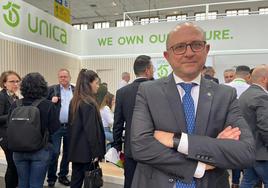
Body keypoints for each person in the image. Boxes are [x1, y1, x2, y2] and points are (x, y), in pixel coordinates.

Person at [130, 22, 255, 188]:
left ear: (206, 49)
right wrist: (200, 165)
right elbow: (141, 146)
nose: (188, 53)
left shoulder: (225, 95)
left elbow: (245, 152)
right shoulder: (148, 91)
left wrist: (177, 141)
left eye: (196, 45)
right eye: (180, 47)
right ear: (167, 56)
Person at [10, 72, 59, 188]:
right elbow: (55, 128)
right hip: (40, 150)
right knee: (36, 184)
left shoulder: (15, 105)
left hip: (18, 151)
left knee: (22, 183)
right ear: (43, 87)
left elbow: (9, 125)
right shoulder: (48, 105)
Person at [113, 55, 154, 188]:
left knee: (130, 182)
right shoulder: (157, 90)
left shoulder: (122, 92)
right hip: (153, 147)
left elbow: (117, 124)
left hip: (131, 148)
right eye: (152, 68)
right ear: (147, 70)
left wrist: (118, 147)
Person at [68, 69, 106, 188]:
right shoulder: (88, 103)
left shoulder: (74, 101)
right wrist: (96, 153)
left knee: (76, 181)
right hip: (87, 152)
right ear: (89, 83)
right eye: (96, 83)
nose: (98, 86)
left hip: (76, 150)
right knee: (91, 183)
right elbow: (91, 131)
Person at [239, 65, 268, 188]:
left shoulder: (245, 95)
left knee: (248, 181)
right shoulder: (262, 96)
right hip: (262, 152)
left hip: (248, 150)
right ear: (265, 79)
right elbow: (265, 126)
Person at [47, 69, 74, 187]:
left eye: (65, 76)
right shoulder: (52, 89)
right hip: (56, 126)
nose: (63, 79)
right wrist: (50, 101)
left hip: (70, 126)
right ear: (58, 78)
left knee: (68, 153)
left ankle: (63, 175)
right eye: (61, 77)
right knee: (55, 152)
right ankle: (51, 177)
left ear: (70, 77)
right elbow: (43, 104)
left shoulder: (75, 90)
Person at [226, 65, 251, 188]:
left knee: (233, 156)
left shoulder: (225, 88)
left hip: (230, 129)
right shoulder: (251, 88)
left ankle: (235, 182)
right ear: (248, 76)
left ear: (235, 75)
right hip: (249, 129)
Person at [0, 71, 20, 188]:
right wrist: (15, 114)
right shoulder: (2, 96)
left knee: (14, 165)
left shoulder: (14, 96)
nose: (15, 84)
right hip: (5, 135)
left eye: (17, 81)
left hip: (13, 135)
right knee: (12, 165)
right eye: (12, 81)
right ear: (4, 83)